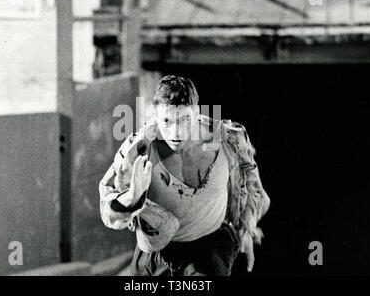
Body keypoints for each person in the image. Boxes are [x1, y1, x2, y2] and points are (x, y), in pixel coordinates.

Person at [99, 75, 270, 276]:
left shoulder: (226, 140)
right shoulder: (139, 150)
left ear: (196, 112)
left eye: (184, 120)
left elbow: (251, 183)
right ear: (155, 115)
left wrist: (247, 227)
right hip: (156, 254)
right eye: (166, 121)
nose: (176, 132)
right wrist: (133, 196)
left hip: (208, 248)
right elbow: (108, 209)